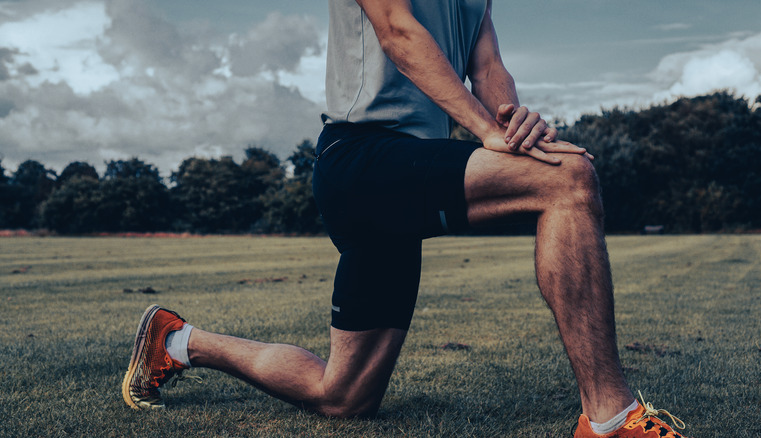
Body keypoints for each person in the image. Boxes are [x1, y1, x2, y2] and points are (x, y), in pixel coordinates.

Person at [122, 1, 690, 436]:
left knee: (343, 397)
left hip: (408, 170)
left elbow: (488, 66)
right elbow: (397, 31)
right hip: (362, 159)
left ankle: (178, 341)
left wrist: (512, 124)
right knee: (568, 180)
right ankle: (610, 420)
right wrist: (484, 131)